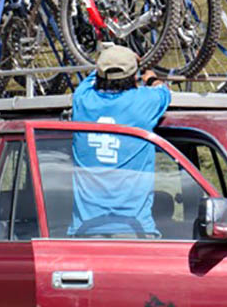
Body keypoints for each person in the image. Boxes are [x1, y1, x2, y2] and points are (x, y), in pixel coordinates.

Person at [68, 45, 171, 237]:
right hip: (136, 232)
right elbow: (163, 90)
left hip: (84, 233)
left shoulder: (82, 100)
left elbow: (92, 78)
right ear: (134, 77)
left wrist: (108, 57)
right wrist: (149, 75)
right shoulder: (144, 101)